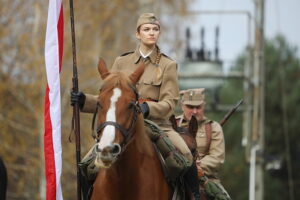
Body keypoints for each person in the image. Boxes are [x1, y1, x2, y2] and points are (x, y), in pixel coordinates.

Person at [71, 13, 200, 199]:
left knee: (186, 156)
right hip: (123, 123)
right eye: (146, 29)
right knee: (86, 163)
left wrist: (149, 109)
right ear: (138, 34)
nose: (151, 33)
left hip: (157, 124)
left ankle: (193, 196)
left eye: (155, 29)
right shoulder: (121, 62)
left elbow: (170, 102)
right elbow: (111, 100)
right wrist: (83, 100)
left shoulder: (167, 65)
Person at [176, 88, 231, 198]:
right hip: (177, 177)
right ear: (182, 106)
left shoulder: (213, 127)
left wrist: (195, 168)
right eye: (190, 107)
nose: (195, 111)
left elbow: (217, 158)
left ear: (204, 106)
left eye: (198, 107)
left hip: (205, 179)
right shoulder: (172, 125)